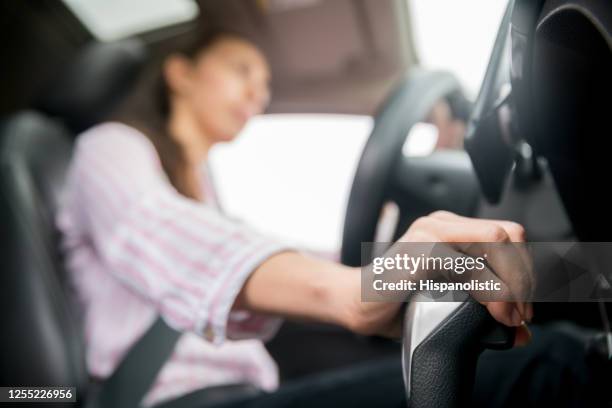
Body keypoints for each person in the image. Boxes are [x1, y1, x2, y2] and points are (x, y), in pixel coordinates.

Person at [57, 25, 588, 408]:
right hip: (176, 399)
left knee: (550, 325)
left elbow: (278, 253)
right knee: (559, 365)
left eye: (264, 84)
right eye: (242, 70)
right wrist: (351, 292)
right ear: (180, 72)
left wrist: (386, 256)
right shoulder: (110, 147)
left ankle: (599, 277)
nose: (257, 94)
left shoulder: (204, 185)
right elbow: (158, 235)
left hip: (251, 391)